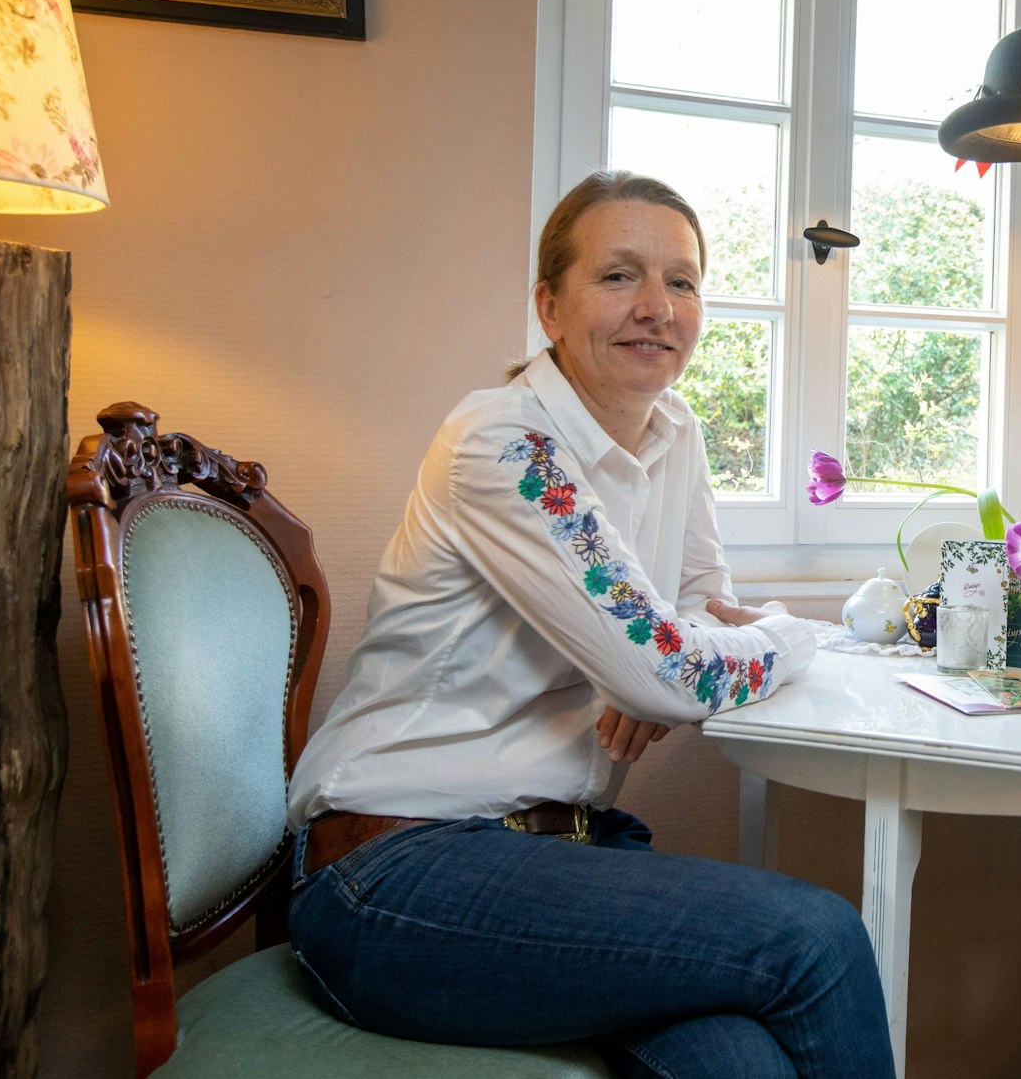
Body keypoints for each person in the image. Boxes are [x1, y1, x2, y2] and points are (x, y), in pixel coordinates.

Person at [285, 172, 894, 1078]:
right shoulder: (506, 443)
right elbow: (678, 663)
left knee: (737, 1060)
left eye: (681, 281)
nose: (656, 307)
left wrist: (656, 657)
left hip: (560, 852)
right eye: (618, 277)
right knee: (816, 936)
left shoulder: (673, 432)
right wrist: (782, 632)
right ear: (549, 307)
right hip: (398, 870)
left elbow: (693, 610)